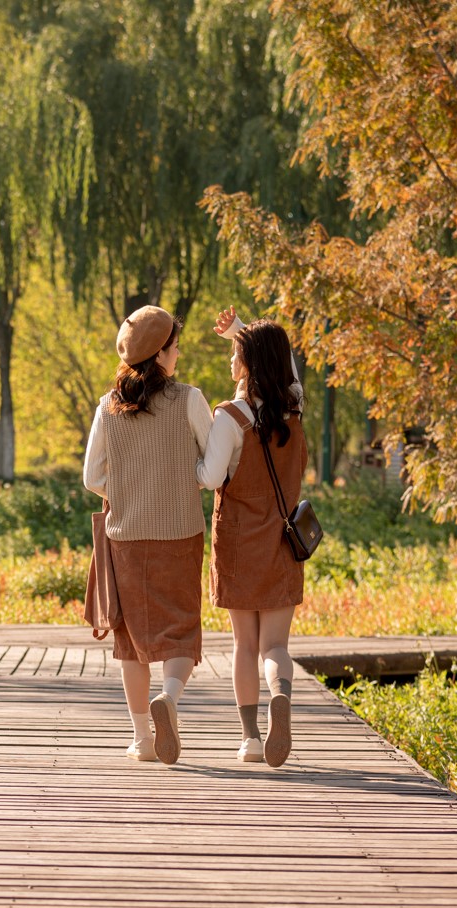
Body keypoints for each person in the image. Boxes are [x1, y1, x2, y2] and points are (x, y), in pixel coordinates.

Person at [83, 305, 213, 765]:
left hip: (126, 537)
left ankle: (141, 739)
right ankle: (170, 700)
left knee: (130, 641)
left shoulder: (108, 405)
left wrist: (126, 488)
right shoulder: (190, 399)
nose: (178, 354)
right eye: (175, 347)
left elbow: (92, 477)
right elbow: (212, 466)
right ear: (161, 352)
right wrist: (185, 478)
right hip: (179, 532)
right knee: (180, 630)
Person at [199, 309, 308, 768]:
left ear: (248, 362)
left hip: (240, 542)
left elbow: (209, 477)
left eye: (235, 353)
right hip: (284, 542)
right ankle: (279, 695)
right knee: (275, 648)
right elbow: (288, 366)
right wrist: (242, 329)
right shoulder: (294, 406)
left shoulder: (230, 417)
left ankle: (249, 738)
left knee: (244, 645)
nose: (230, 360)